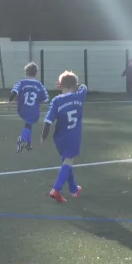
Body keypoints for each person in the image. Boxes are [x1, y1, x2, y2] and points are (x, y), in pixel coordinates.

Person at [41, 71, 87, 203]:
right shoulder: (79, 96)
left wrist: (44, 137)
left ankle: (73, 188)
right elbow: (84, 87)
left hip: (59, 139)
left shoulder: (56, 100)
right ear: (75, 85)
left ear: (60, 85)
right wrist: (76, 85)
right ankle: (56, 189)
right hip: (73, 137)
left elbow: (48, 121)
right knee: (68, 162)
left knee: (67, 161)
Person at [7, 62, 49, 153]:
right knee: (29, 123)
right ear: (36, 73)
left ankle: (28, 143)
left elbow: (15, 91)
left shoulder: (22, 82)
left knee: (28, 123)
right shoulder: (39, 85)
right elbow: (45, 98)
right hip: (33, 109)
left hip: (22, 109)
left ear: (26, 72)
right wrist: (39, 101)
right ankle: (22, 139)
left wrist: (10, 101)